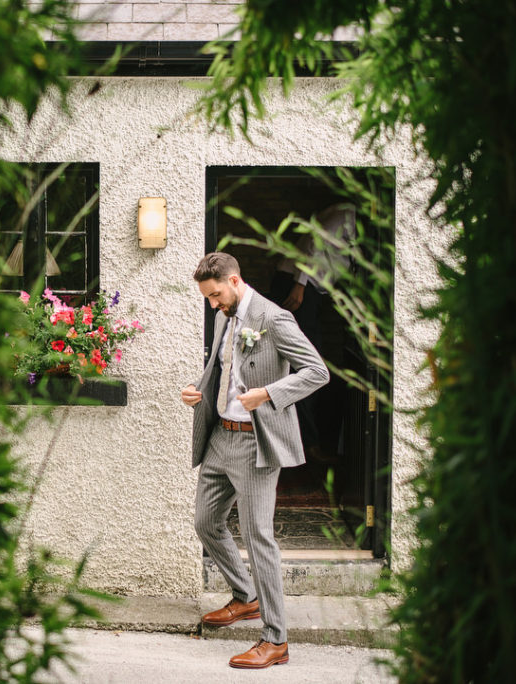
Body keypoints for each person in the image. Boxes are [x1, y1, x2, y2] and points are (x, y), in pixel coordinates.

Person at [181, 252, 329, 669]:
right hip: (220, 437)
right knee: (206, 522)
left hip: (255, 444)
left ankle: (275, 639)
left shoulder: (275, 318)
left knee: (258, 536)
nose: (212, 303)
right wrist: (197, 389)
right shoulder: (222, 315)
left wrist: (268, 394)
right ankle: (245, 597)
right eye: (208, 298)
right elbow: (221, 366)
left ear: (233, 281)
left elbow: (317, 371)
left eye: (215, 295)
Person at [268, 204, 356, 463]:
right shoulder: (345, 214)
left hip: (314, 292)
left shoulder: (362, 228)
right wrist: (299, 285)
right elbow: (314, 243)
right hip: (297, 285)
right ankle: (306, 446)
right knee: (304, 365)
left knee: (307, 364)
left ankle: (306, 443)